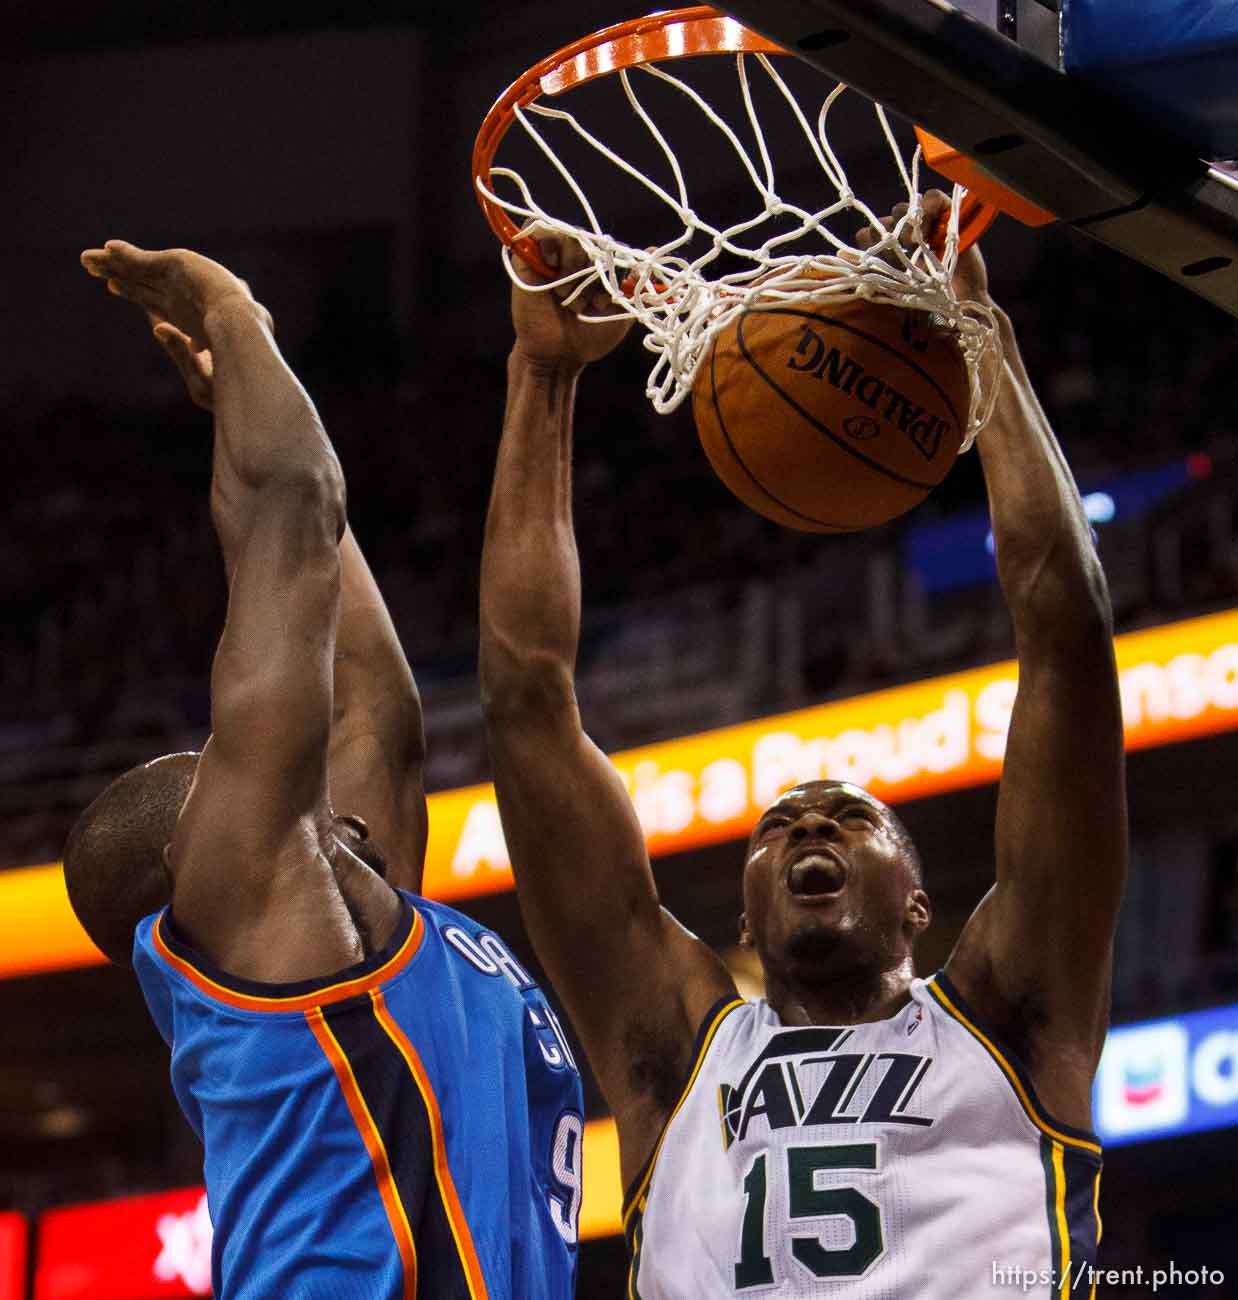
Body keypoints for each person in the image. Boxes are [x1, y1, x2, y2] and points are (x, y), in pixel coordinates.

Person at [478, 200, 1126, 1298]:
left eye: (848, 818)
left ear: (919, 907)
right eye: (778, 825)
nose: (808, 823)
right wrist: (541, 378)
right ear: (742, 914)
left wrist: (980, 336)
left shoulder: (1012, 1006)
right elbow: (525, 697)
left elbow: (1064, 632)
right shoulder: (675, 1051)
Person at [65, 241, 582, 1299]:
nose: (274, 772)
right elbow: (291, 506)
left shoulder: (346, 922)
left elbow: (380, 716)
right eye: (221, 772)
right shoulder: (260, 910)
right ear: (192, 857)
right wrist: (233, 308)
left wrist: (235, 406)